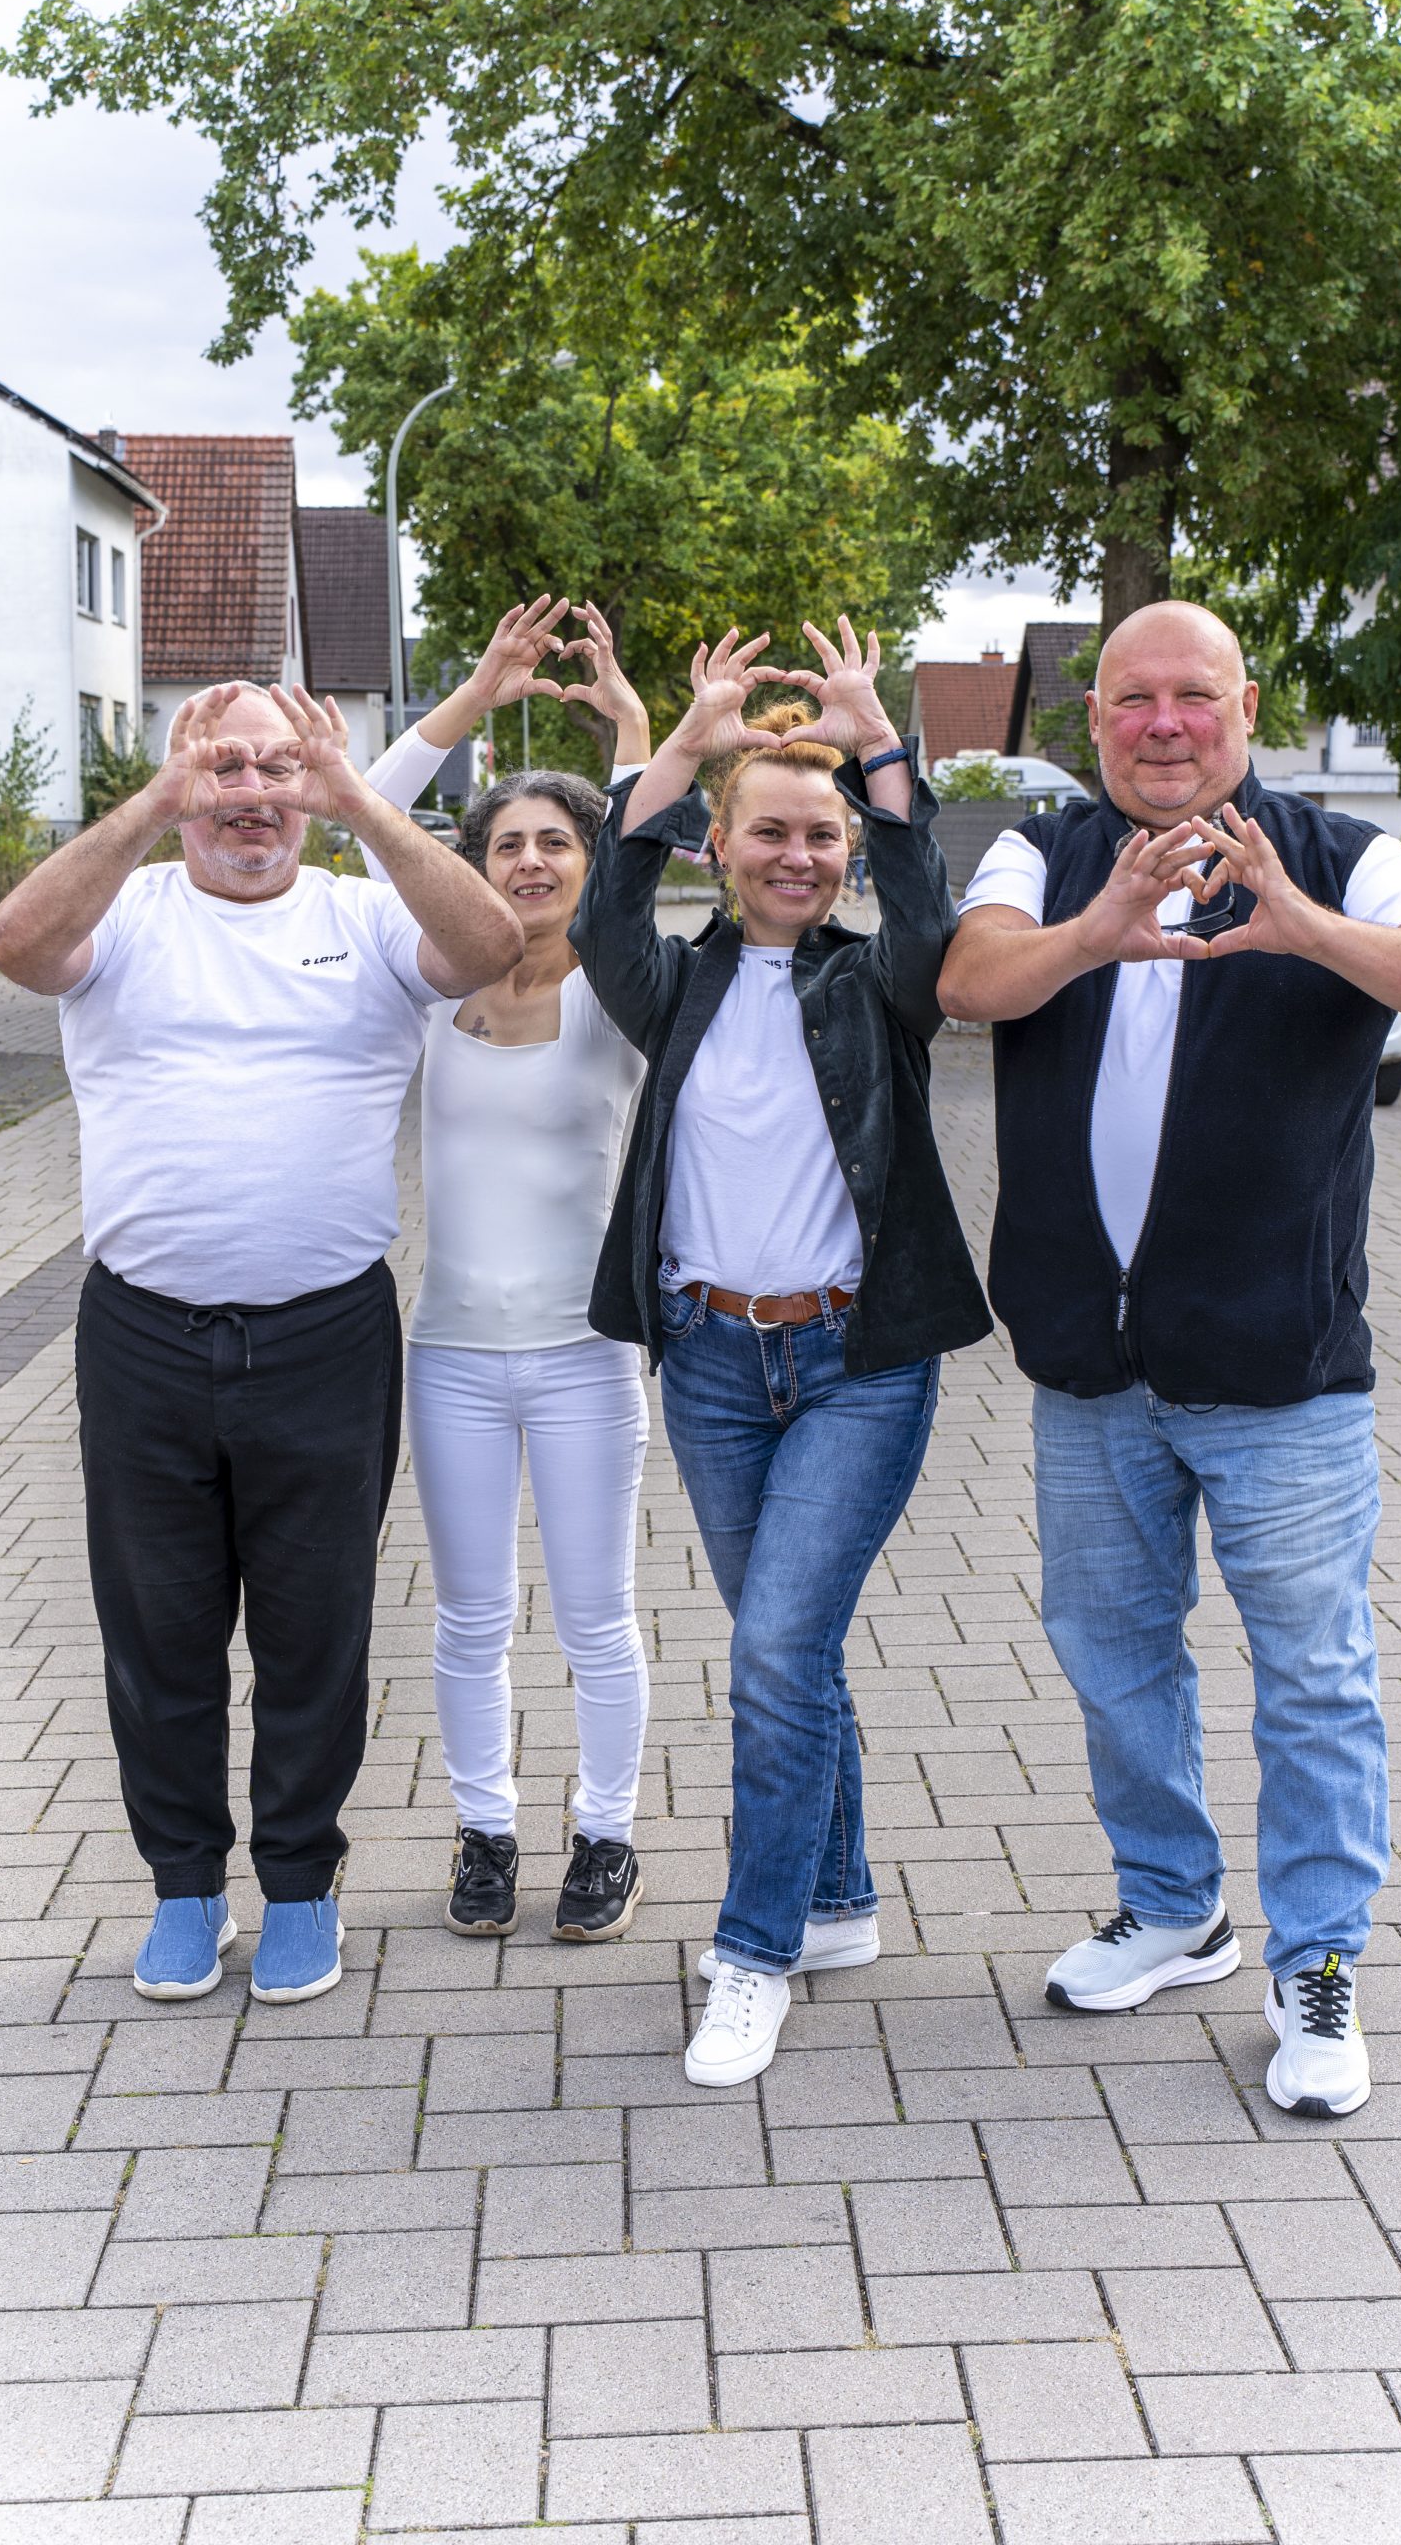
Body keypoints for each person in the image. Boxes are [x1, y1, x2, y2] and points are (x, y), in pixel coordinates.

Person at [937, 598, 1401, 2119]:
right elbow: (971, 980)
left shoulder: (1338, 853)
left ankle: (1317, 1963)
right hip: (1093, 1365)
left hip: (1283, 1373)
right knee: (1115, 1654)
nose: (1167, 722)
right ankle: (1173, 1906)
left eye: (1196, 695)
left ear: (1246, 709)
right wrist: (1100, 933)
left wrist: (1301, 928)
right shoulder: (1048, 853)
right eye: (1136, 699)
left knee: (1315, 1681)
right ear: (1099, 718)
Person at [0, 682, 521, 2006]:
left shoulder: (359, 914)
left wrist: (362, 810)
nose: (254, 793)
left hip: (325, 1340)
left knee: (312, 1630)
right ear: (179, 784)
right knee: (158, 1634)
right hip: (144, 1342)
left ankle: (297, 1882)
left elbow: (491, 944)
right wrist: (152, 804)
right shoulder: (123, 917)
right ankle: (184, 1887)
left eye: (282, 767)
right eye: (223, 767)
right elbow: (14, 943)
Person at [573, 619, 992, 2086]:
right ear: (724, 843)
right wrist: (682, 739)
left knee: (770, 1650)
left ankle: (751, 1956)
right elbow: (599, 910)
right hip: (707, 1364)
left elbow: (933, 920)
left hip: (857, 1365)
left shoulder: (879, 986)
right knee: (790, 1652)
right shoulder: (671, 988)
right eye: (772, 831)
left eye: (822, 834)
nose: (799, 854)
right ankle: (839, 1896)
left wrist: (881, 745)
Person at [360, 600, 656, 1941]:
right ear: (472, 865)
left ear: (589, 864)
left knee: (597, 1620)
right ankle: (485, 1834)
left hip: (590, 1357)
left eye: (556, 843)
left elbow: (654, 840)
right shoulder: (431, 980)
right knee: (469, 1619)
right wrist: (478, 695)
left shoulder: (626, 989)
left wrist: (638, 728)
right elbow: (364, 809)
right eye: (508, 844)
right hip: (455, 1357)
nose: (532, 862)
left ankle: (606, 1834)